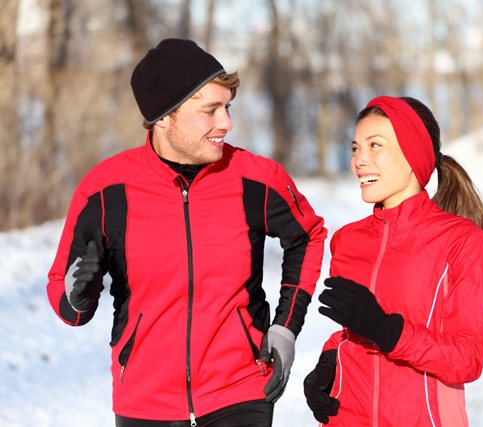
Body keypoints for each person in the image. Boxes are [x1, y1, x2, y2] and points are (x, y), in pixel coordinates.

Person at [46, 38, 327, 427]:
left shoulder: (256, 179)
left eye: (227, 108)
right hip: (145, 401)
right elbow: (65, 297)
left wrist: (285, 329)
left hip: (241, 392)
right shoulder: (106, 191)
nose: (226, 123)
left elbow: (308, 236)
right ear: (163, 117)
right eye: (209, 110)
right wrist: (78, 297)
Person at [303, 96, 483, 426]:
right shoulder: (347, 241)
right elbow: (352, 331)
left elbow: (468, 358)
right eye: (354, 148)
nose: (359, 161)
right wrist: (329, 360)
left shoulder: (461, 240)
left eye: (374, 145)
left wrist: (387, 330)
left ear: (412, 153)